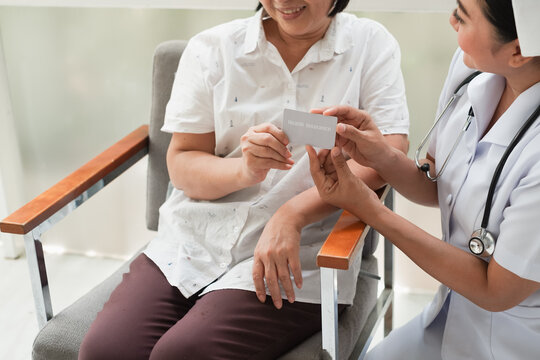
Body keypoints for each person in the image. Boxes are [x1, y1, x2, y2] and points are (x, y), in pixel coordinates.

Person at [78, 1, 409, 359]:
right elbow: (183, 161)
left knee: (185, 354)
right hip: (192, 242)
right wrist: (244, 171)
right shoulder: (213, 48)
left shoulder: (370, 45)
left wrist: (294, 213)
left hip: (301, 254)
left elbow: (387, 155)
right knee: (104, 351)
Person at [307, 0, 540, 358]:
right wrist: (382, 156)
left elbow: (496, 291)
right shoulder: (471, 72)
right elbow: (437, 184)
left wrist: (371, 210)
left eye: (462, 16)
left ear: (520, 51)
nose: (450, 20)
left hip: (512, 341)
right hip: (447, 315)